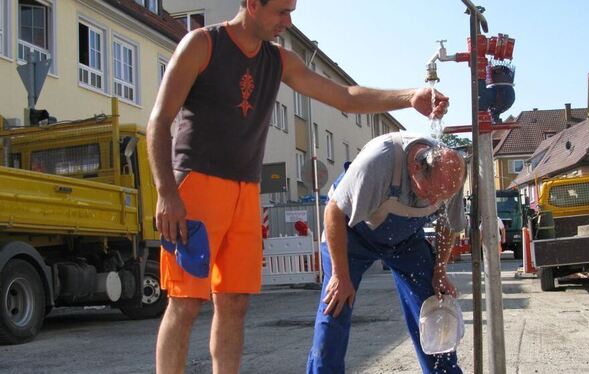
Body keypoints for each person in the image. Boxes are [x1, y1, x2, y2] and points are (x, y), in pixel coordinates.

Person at [146, 0, 450, 373]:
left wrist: (408, 97)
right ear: (252, 5)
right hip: (195, 188)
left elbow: (345, 97)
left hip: (245, 191)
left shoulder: (279, 61)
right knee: (185, 302)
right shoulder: (201, 44)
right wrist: (166, 193)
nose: (287, 22)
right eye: (281, 12)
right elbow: (159, 122)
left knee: (234, 302)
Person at [306, 133, 467, 374]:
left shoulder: (449, 176)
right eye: (431, 192)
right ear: (415, 168)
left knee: (433, 307)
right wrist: (340, 276)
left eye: (442, 196)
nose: (435, 201)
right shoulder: (378, 161)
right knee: (336, 307)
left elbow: (448, 225)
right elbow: (333, 212)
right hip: (350, 234)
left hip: (406, 242)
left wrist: (440, 270)